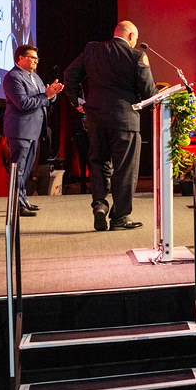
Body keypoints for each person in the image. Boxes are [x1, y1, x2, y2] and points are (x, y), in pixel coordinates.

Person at [63, 20, 156, 231]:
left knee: (99, 163)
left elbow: (70, 74)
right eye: (135, 38)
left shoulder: (92, 50)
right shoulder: (137, 56)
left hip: (96, 119)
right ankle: (120, 217)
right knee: (125, 169)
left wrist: (78, 101)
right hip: (125, 120)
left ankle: (99, 205)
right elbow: (149, 93)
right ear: (131, 36)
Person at [3, 44, 63, 216]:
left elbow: (45, 97)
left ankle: (22, 200)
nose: (36, 61)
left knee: (26, 169)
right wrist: (47, 96)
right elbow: (23, 103)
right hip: (20, 129)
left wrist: (52, 94)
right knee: (19, 169)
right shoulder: (13, 77)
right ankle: (16, 204)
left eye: (37, 58)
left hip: (34, 130)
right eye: (32, 57)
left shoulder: (35, 77)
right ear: (20, 58)